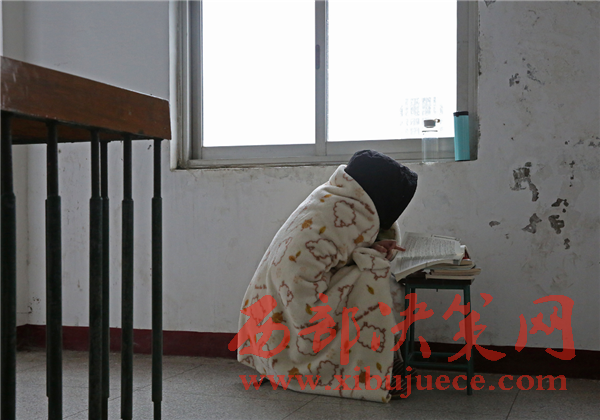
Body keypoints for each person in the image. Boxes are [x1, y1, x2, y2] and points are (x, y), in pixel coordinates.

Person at [233, 150, 418, 402]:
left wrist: (371, 248)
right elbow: (336, 261)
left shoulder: (331, 197)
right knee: (373, 277)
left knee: (369, 272)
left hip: (267, 308)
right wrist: (373, 255)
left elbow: (338, 253)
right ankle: (373, 369)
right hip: (299, 308)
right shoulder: (353, 212)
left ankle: (386, 359)